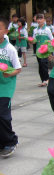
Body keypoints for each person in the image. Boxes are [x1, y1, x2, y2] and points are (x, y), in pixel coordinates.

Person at [0, 17, 22, 157]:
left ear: (6, 31)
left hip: (5, 88)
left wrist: (9, 74)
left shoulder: (10, 49)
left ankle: (11, 141)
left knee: (3, 115)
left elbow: (18, 69)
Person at [31, 13, 53, 87]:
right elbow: (34, 40)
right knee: (40, 66)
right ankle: (43, 80)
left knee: (44, 65)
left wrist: (50, 50)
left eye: (41, 19)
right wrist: (31, 40)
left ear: (44, 20)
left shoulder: (47, 30)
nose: (39, 20)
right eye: (38, 19)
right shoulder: (35, 30)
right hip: (38, 51)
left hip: (45, 51)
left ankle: (47, 79)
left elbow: (52, 40)